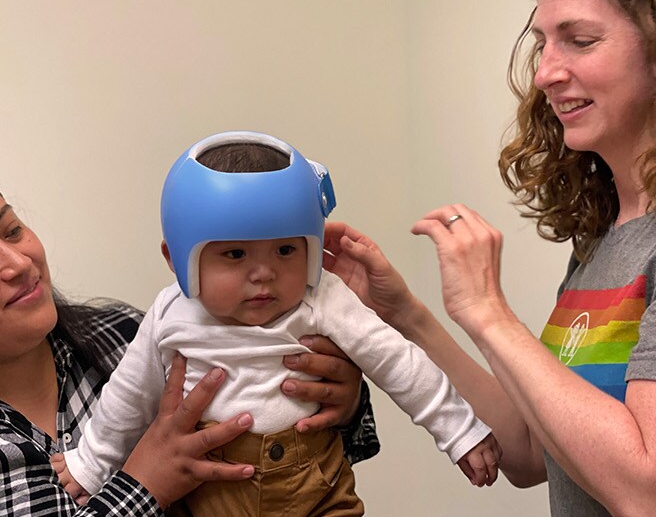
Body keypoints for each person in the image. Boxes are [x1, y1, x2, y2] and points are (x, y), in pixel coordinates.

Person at [323, 0, 656, 517]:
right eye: (542, 44)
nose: (547, 73)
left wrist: (491, 312)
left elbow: (644, 490)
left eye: (580, 40)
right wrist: (410, 317)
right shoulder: (603, 242)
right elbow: (532, 452)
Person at [0, 161, 380, 516]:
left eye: (12, 230)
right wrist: (142, 486)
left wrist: (339, 400)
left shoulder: (126, 338)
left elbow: (292, 471)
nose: (18, 262)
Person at [53, 132, 499, 516]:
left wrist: (458, 431)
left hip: (316, 484)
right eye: (235, 254)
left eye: (285, 250)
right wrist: (92, 463)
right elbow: (128, 396)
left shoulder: (322, 298)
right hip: (208, 492)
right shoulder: (170, 314)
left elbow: (398, 362)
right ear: (179, 260)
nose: (263, 273)